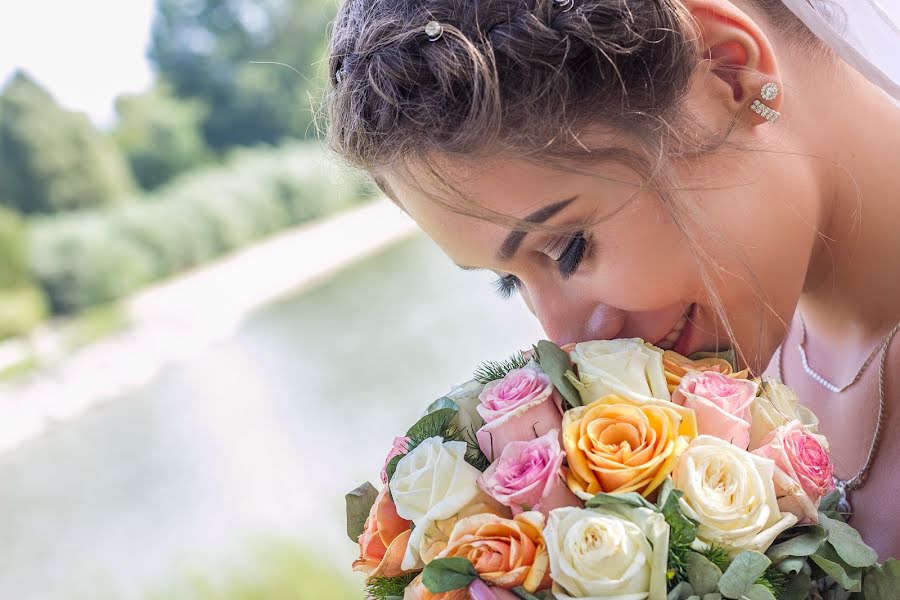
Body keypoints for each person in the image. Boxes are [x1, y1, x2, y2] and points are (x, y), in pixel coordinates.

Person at [324, 0, 900, 557]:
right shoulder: (716, 393)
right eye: (510, 282)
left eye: (570, 249)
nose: (567, 343)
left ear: (729, 69)